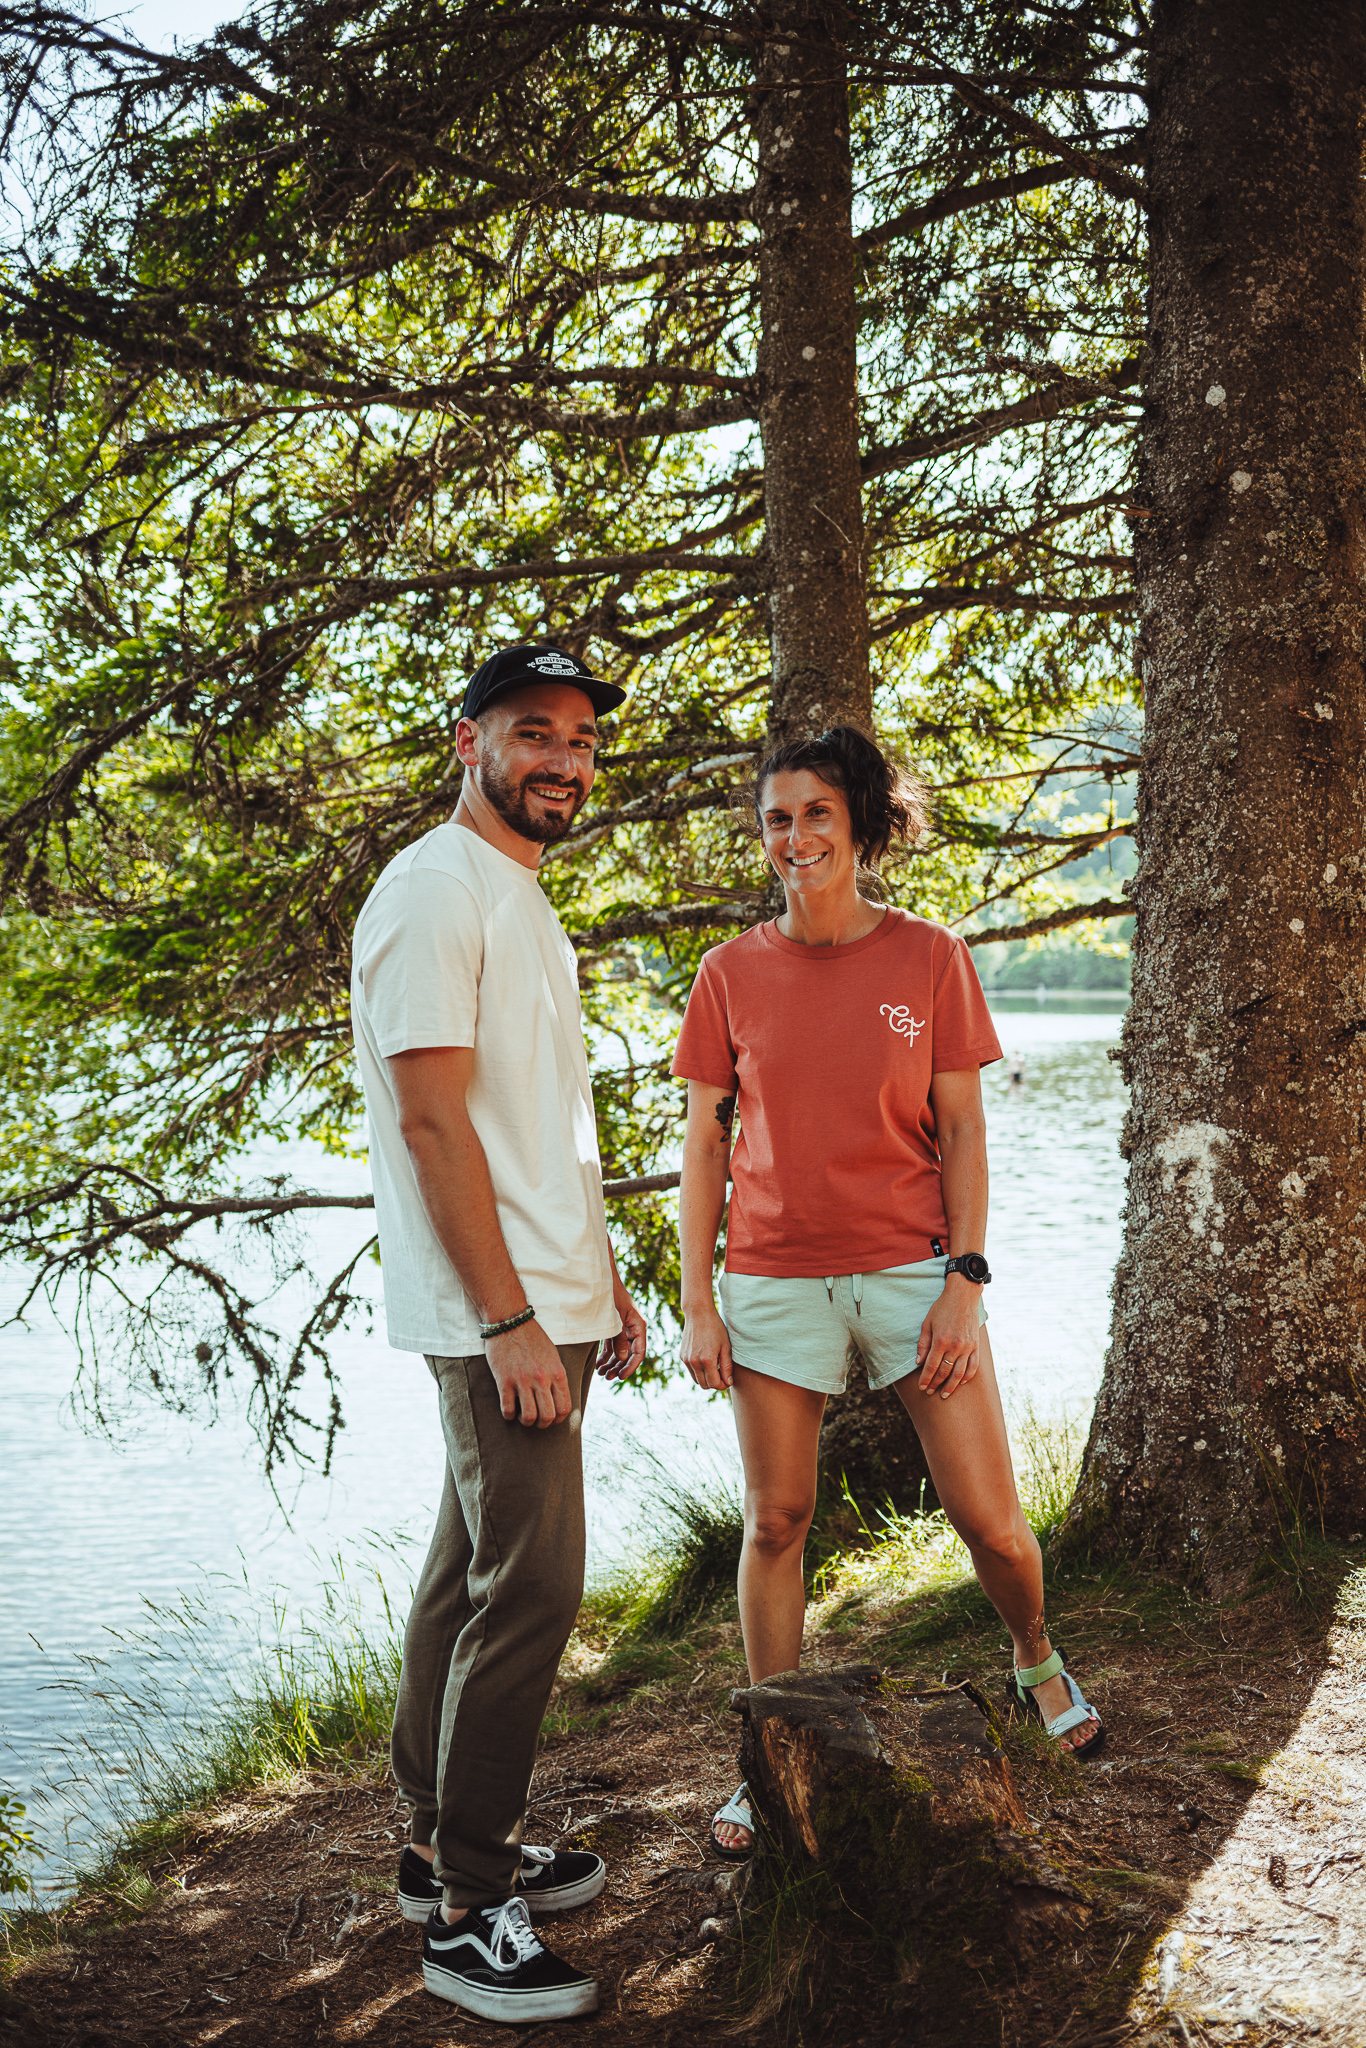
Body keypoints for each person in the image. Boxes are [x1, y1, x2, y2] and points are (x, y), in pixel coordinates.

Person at [670, 726, 1103, 1859]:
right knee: (776, 1519)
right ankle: (769, 1744)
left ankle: (1034, 1657)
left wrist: (965, 1279)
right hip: (771, 1279)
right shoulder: (727, 974)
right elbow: (704, 1149)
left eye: (816, 812)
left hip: (916, 1272)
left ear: (859, 823)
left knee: (988, 1519)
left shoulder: (929, 957)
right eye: (776, 818)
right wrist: (699, 1299)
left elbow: (962, 1129)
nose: (795, 837)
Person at [350, 643, 648, 2017]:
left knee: (465, 1569)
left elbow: (541, 1129)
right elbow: (430, 1124)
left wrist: (601, 1284)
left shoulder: (516, 891)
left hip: (543, 1299)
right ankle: (471, 1911)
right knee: (532, 1590)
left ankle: (434, 1849)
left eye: (581, 741)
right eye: (535, 732)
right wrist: (513, 1319)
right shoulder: (433, 890)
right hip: (500, 1315)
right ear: (467, 740)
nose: (564, 761)